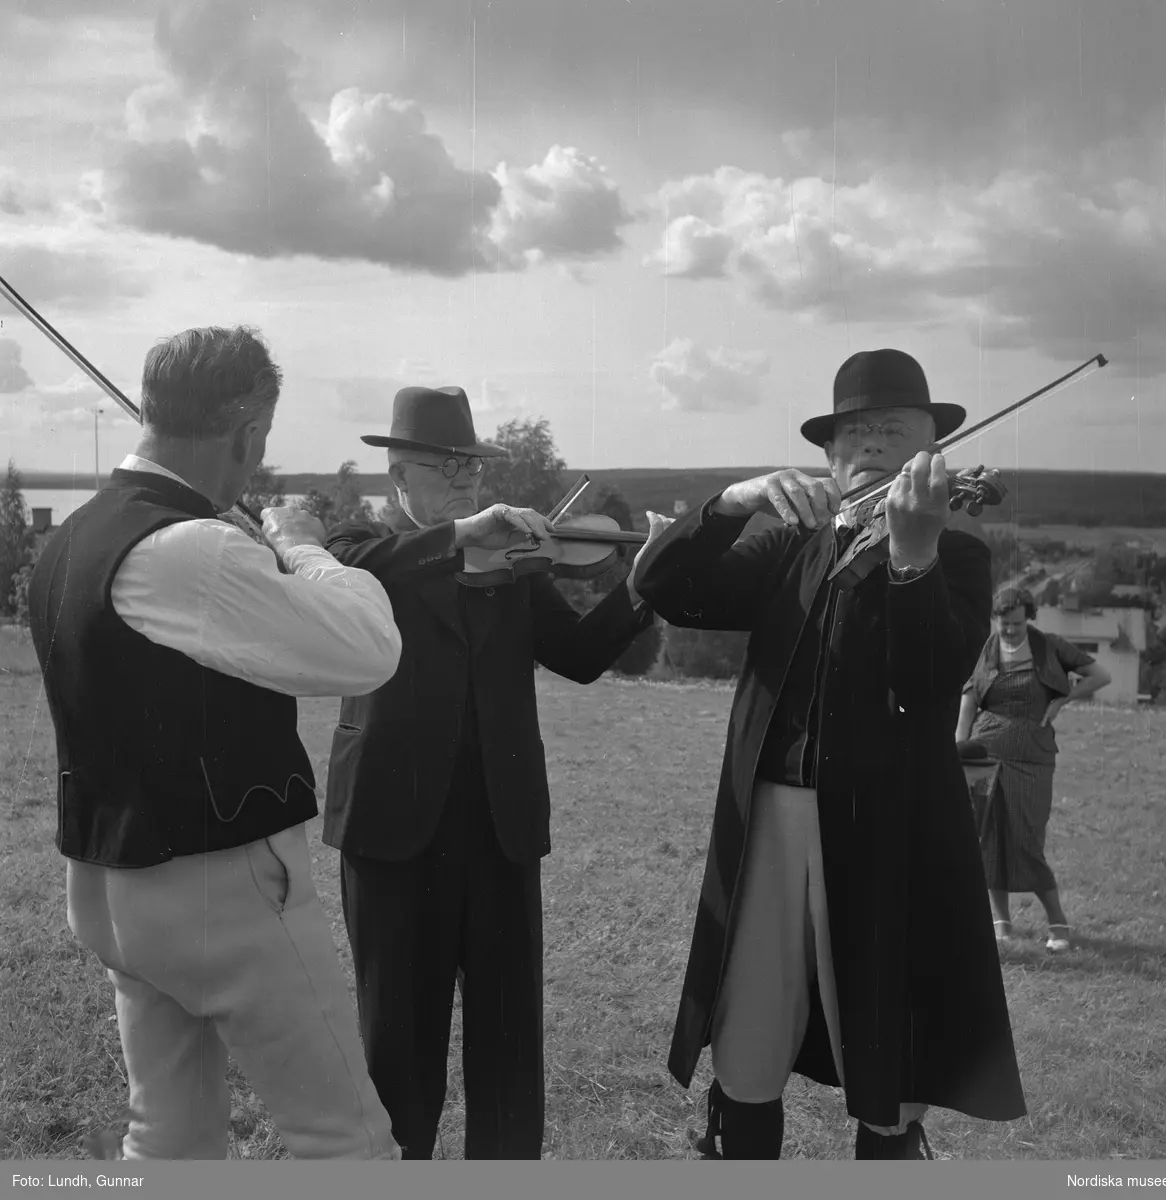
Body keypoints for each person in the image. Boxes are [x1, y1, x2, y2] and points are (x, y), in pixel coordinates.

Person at [631, 348, 1027, 1160]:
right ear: (828, 455)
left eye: (893, 429)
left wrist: (911, 558)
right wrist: (734, 502)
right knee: (749, 1031)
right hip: (769, 819)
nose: (871, 445)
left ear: (931, 447)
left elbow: (931, 681)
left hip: (888, 832)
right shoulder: (791, 547)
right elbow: (666, 587)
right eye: (853, 433)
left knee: (886, 1048)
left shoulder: (955, 552)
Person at [26, 326, 402, 1161]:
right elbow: (368, 650)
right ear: (247, 434)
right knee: (347, 1142)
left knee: (171, 1136)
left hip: (109, 883)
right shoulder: (193, 550)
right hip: (220, 885)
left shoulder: (72, 538)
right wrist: (302, 543)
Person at [320, 385, 662, 1160]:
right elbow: (350, 569)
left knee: (509, 1056)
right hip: (393, 834)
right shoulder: (357, 547)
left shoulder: (512, 561)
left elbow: (576, 656)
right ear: (396, 479)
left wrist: (646, 585)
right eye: (445, 471)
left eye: (471, 470)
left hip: (501, 831)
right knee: (398, 1055)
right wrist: (459, 538)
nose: (466, 484)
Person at [956, 586, 1111, 952]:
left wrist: (1062, 701)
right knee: (988, 836)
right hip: (986, 753)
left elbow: (1100, 676)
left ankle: (1058, 925)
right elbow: (970, 695)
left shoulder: (1050, 646)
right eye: (1003, 623)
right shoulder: (991, 647)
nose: (1008, 630)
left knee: (1027, 839)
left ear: (1029, 617)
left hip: (1033, 755)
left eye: (1014, 623)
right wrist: (958, 744)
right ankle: (1001, 922)